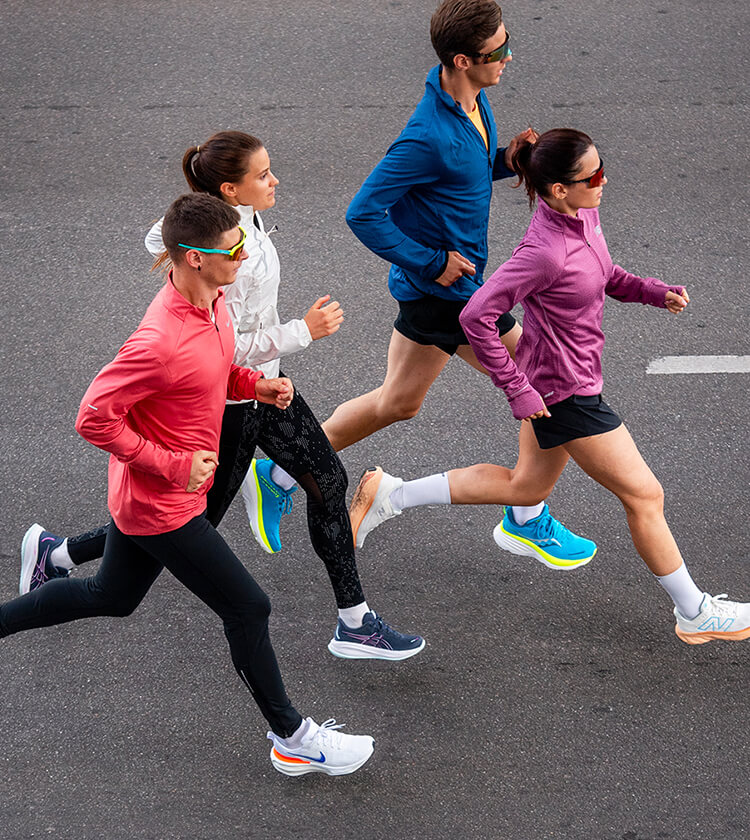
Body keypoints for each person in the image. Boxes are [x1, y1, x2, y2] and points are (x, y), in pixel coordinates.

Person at [4, 194, 375, 776]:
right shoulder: (158, 340)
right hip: (160, 504)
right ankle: (293, 738)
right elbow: (93, 416)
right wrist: (173, 465)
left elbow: (212, 370)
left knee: (112, 597)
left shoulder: (216, 303)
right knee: (249, 606)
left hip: (158, 496)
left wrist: (253, 386)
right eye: (233, 248)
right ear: (195, 258)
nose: (245, 253)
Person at [20, 130, 423, 662]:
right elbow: (225, 349)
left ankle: (354, 622)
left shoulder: (235, 227)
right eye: (262, 174)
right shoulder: (233, 257)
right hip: (228, 404)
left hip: (263, 390)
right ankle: (61, 552)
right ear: (231, 191)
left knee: (327, 479)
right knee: (191, 526)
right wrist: (304, 330)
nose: (275, 179)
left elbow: (157, 240)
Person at [347, 127, 750, 645]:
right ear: (559, 188)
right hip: (565, 392)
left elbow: (605, 273)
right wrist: (518, 387)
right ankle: (694, 611)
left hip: (565, 380)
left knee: (526, 488)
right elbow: (476, 315)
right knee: (645, 495)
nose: (604, 182)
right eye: (594, 176)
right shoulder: (543, 252)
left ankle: (390, 494)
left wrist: (654, 292)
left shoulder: (585, 217)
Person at [244, 0, 595, 569]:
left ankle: (280, 470)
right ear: (463, 58)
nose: (509, 56)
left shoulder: (473, 99)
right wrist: (431, 262)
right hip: (449, 295)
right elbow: (363, 212)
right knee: (543, 384)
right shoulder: (426, 135)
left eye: (507, 43)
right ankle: (527, 516)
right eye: (497, 51)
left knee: (397, 402)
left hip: (441, 293)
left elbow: (464, 174)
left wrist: (507, 159)